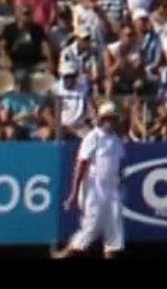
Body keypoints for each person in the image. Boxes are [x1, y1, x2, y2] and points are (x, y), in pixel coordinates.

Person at [53, 102, 125, 259]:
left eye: (112, 119)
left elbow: (118, 166)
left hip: (112, 192)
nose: (110, 122)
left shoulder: (116, 140)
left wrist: (120, 184)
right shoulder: (93, 138)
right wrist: (74, 193)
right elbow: (81, 164)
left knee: (114, 234)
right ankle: (64, 254)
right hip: (93, 190)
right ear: (101, 119)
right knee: (89, 230)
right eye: (107, 118)